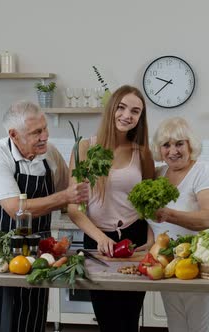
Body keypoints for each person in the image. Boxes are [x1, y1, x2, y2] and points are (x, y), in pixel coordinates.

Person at [0, 101, 89, 332]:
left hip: (40, 251)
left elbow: (67, 194)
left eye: (45, 128)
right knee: (1, 317)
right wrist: (66, 196)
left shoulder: (49, 153)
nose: (44, 136)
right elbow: (14, 208)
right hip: (1, 250)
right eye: (36, 132)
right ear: (13, 134)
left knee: (33, 316)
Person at [67, 85, 155, 332]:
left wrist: (150, 239)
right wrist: (100, 238)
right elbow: (73, 207)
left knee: (129, 318)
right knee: (106, 318)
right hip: (98, 241)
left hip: (134, 240)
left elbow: (149, 205)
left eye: (135, 111)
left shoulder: (143, 153)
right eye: (122, 107)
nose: (127, 115)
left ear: (140, 118)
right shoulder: (84, 148)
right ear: (112, 108)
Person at [150, 116, 209, 332]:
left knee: (201, 328)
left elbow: (208, 218)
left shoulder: (204, 171)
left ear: (190, 144)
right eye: (166, 145)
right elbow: (150, 219)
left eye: (179, 143)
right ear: (159, 149)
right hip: (169, 264)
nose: (173, 151)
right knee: (176, 326)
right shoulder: (158, 174)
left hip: (200, 265)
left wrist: (169, 214)